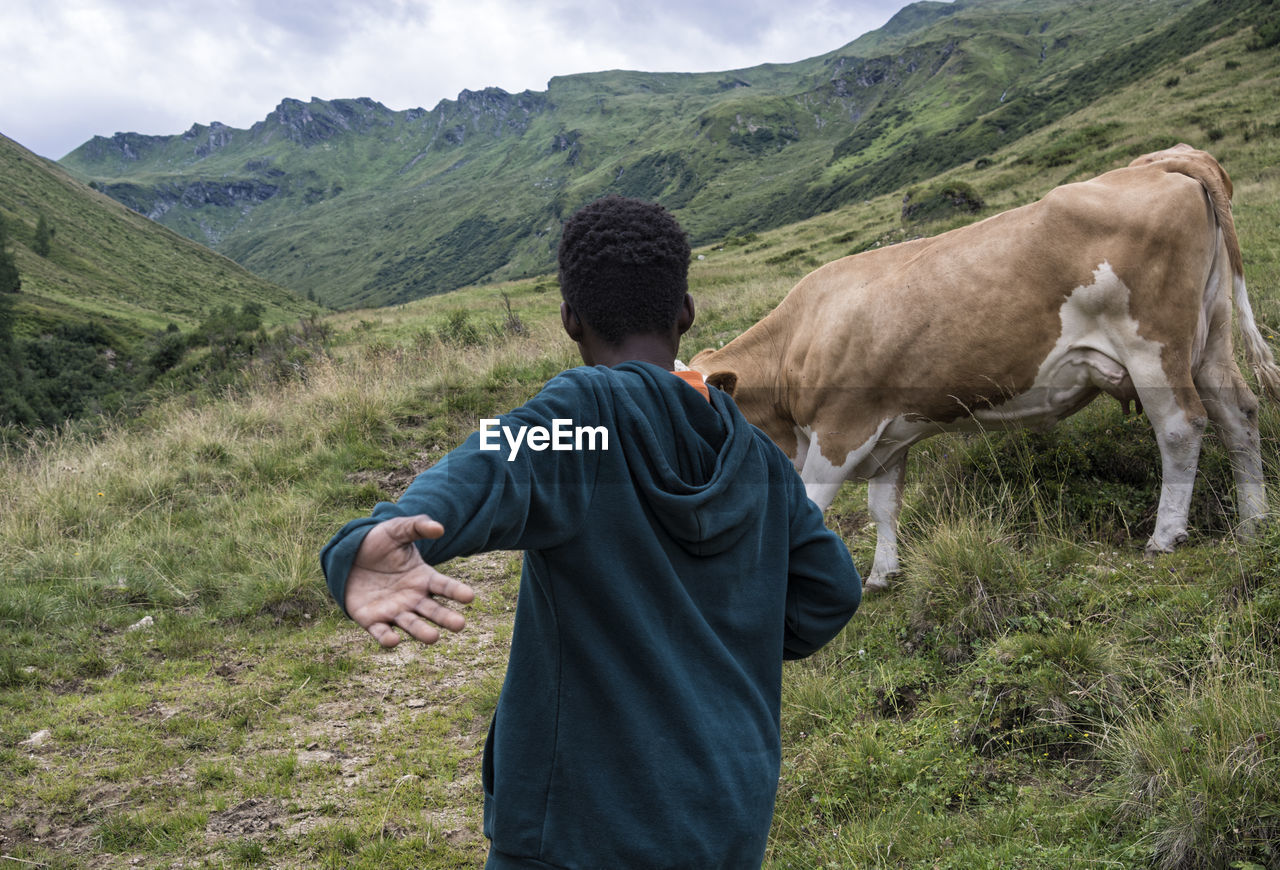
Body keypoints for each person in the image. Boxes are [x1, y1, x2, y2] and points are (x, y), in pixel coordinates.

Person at [321, 195, 862, 869]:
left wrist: (382, 537)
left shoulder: (586, 420)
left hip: (582, 829)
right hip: (729, 810)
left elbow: (493, 458)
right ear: (685, 312)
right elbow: (831, 591)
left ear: (571, 319)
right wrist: (720, 648)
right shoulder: (752, 455)